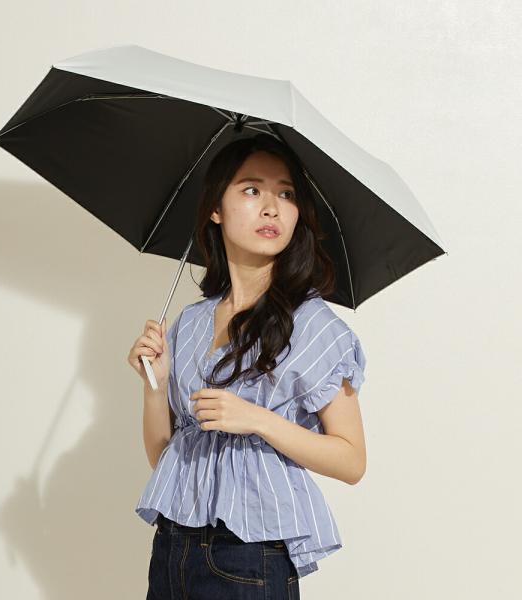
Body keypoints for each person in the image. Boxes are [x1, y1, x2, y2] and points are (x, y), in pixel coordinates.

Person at [127, 133, 367, 599]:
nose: (272, 208)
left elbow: (351, 460)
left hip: (249, 556)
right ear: (216, 208)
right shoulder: (190, 322)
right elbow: (166, 459)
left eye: (287, 194)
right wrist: (154, 387)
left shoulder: (313, 325)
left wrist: (257, 420)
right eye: (252, 190)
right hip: (173, 548)